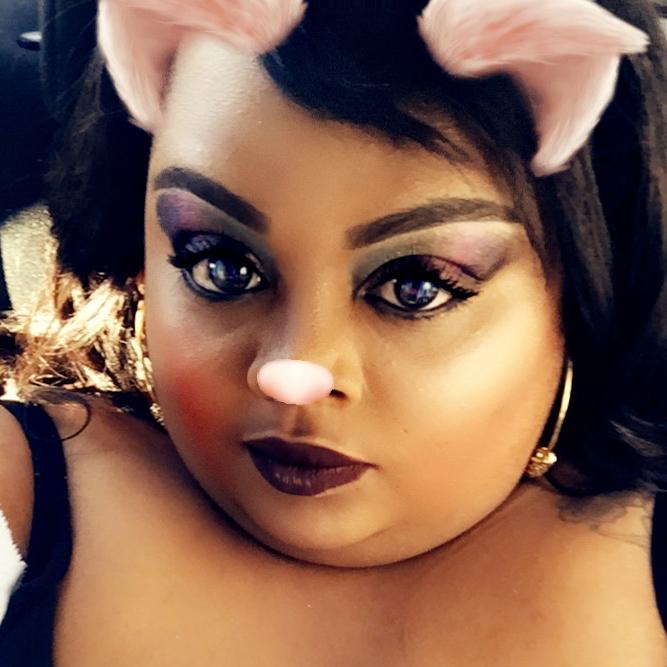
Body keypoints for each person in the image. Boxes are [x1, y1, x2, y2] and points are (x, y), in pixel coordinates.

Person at [1, 0, 666, 664]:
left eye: (415, 286)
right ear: (142, 262)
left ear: (585, 286)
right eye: (222, 265)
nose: (295, 374)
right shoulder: (22, 491)